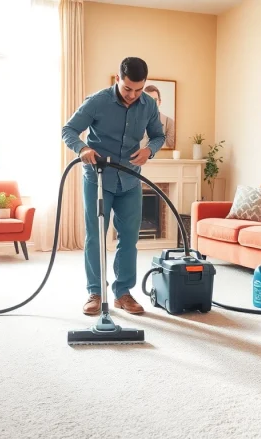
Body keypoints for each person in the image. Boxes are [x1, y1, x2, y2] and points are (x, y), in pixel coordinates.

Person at [62, 57, 166, 316]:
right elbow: (69, 130)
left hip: (130, 179)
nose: (133, 95)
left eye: (139, 89)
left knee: (129, 238)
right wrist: (83, 147)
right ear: (118, 79)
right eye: (128, 88)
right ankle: (96, 291)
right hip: (98, 178)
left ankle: (122, 293)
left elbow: (158, 135)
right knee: (95, 236)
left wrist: (149, 151)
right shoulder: (97, 101)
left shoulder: (149, 105)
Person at [141, 84, 175, 149]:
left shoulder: (169, 122)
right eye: (148, 100)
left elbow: (170, 145)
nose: (152, 103)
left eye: (155, 100)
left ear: (159, 102)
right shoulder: (134, 121)